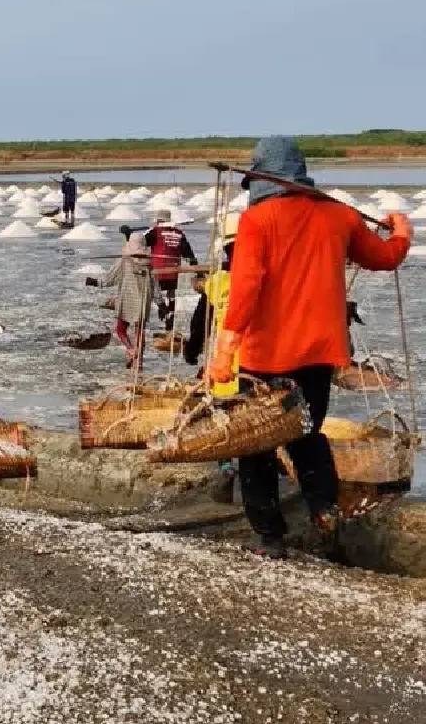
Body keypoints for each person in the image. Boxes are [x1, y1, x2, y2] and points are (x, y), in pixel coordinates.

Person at [209, 136, 411, 560]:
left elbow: (245, 289)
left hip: (266, 356)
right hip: (321, 354)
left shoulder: (257, 221)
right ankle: (324, 512)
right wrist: (402, 231)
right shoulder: (339, 216)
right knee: (306, 433)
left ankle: (270, 537)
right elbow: (385, 257)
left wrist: (225, 349)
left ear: (262, 176)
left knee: (257, 442)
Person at [184, 211, 240, 503]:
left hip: (224, 363)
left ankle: (227, 467)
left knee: (223, 418)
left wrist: (191, 351)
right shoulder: (263, 276)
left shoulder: (217, 281)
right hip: (258, 364)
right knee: (259, 419)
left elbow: (199, 322)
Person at [87, 231, 152, 367]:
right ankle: (138, 361)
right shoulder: (148, 264)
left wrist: (96, 282)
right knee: (140, 330)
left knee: (120, 329)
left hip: (127, 300)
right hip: (142, 301)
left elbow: (110, 278)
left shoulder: (125, 261)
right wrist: (161, 302)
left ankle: (131, 350)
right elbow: (155, 284)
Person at [145, 209, 198, 332]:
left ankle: (163, 309)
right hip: (173, 272)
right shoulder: (179, 233)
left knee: (153, 291)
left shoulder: (155, 232)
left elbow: (140, 243)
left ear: (158, 221)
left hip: (158, 272)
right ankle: (170, 322)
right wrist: (195, 266)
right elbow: (188, 253)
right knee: (171, 296)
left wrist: (128, 237)